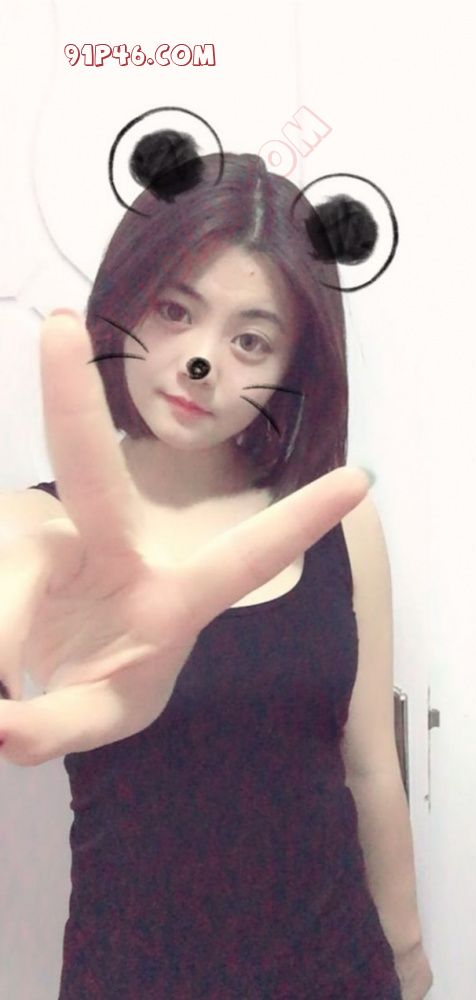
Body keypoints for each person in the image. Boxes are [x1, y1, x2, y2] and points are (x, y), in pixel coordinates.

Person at [0, 138, 432, 997]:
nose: (201, 362)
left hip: (335, 971)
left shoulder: (336, 523)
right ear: (126, 301)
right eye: (174, 310)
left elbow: (368, 767)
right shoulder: (42, 529)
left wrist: (408, 955)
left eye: (251, 340)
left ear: (292, 369)